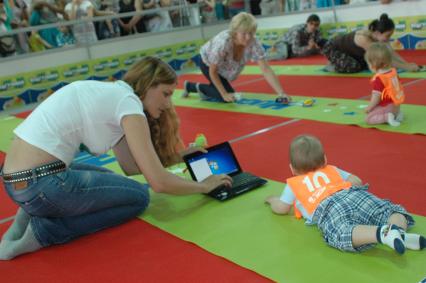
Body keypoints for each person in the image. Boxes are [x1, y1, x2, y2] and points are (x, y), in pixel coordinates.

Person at [0, 56, 232, 260]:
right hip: (43, 185)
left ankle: (27, 217)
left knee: (113, 180)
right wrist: (203, 186)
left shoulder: (113, 94)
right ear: (148, 85)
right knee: (139, 197)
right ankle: (45, 231)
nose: (169, 103)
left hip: (17, 183)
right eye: (166, 93)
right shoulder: (128, 103)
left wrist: (179, 156)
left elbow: (130, 167)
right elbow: (158, 183)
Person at [265, 135, 425, 254]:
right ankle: (399, 231)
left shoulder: (294, 184)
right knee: (386, 210)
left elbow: (282, 208)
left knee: (342, 232)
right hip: (353, 194)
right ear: (325, 160)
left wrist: (272, 200)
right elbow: (357, 181)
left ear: (292, 169)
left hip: (329, 208)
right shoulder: (331, 169)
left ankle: (383, 234)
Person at [182, 12, 290, 103]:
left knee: (225, 94)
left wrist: (282, 93)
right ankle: (192, 86)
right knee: (226, 97)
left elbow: (266, 69)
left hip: (223, 69)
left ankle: (201, 89)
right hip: (207, 63)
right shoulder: (223, 42)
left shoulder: (253, 42)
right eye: (244, 33)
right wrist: (224, 94)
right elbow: (213, 71)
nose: (248, 37)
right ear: (235, 32)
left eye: (251, 33)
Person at [322, 13, 420, 73]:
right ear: (377, 33)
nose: (388, 39)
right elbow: (383, 58)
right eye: (388, 35)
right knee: (356, 67)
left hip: (350, 51)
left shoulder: (380, 37)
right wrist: (407, 68)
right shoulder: (364, 39)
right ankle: (332, 64)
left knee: (370, 63)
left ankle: (341, 60)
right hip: (332, 48)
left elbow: (391, 53)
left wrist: (407, 63)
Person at [364, 42, 404, 127]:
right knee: (377, 109)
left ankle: (387, 117)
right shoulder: (393, 72)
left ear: (372, 65)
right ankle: (397, 114)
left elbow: (376, 98)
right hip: (396, 105)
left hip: (387, 106)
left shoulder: (379, 79)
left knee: (368, 119)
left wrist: (369, 107)